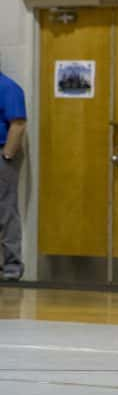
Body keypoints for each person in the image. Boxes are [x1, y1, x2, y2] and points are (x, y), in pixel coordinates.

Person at [0, 70, 27, 281]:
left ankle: (12, 266)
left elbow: (17, 125)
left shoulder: (8, 87)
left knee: (6, 210)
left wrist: (7, 155)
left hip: (2, 156)